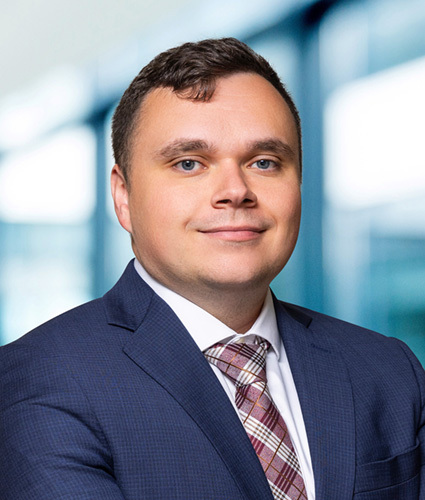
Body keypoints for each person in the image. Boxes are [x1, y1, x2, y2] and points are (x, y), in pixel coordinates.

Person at [0, 38, 424, 500]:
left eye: (265, 162)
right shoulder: (40, 378)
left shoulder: (388, 370)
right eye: (189, 163)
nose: (235, 190)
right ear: (123, 196)